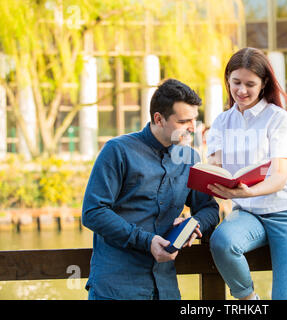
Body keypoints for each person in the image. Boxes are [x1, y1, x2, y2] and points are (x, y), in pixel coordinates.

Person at [82, 78, 220, 300]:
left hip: (165, 290)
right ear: (159, 119)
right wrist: (147, 241)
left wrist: (190, 226)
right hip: (116, 289)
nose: (193, 128)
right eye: (184, 121)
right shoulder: (117, 151)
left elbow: (210, 209)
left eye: (195, 120)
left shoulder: (190, 158)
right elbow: (93, 212)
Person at [206, 47, 287, 300]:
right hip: (248, 214)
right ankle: (248, 300)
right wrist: (215, 180)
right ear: (228, 81)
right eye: (236, 82)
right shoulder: (222, 122)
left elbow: (279, 176)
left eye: (250, 84)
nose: (241, 90)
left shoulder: (277, 118)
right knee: (223, 242)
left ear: (264, 83)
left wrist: (249, 191)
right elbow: (214, 168)